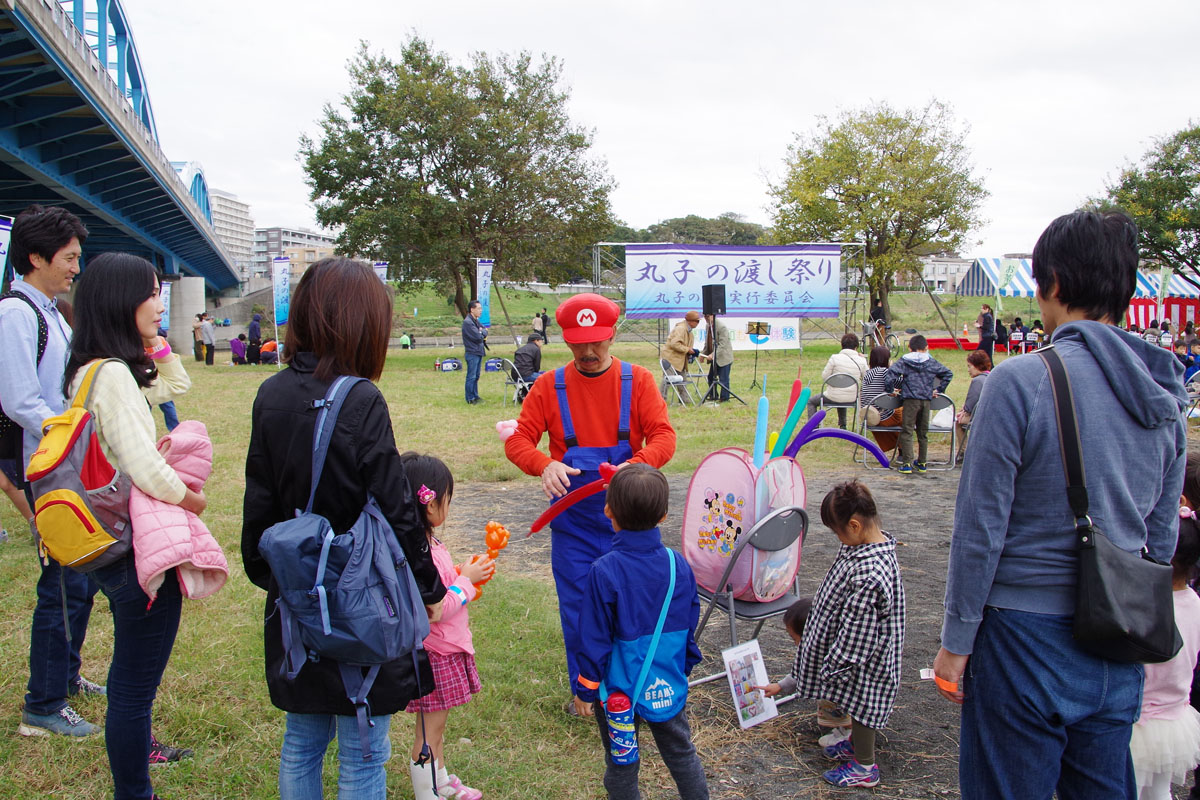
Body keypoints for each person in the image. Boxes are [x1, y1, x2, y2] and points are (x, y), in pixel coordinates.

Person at [934, 210, 1188, 800]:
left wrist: (956, 643)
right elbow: (1161, 542)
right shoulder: (1164, 396)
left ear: (1050, 285)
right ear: (1125, 289)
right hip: (1115, 641)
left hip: (1023, 639)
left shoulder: (1018, 381)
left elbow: (980, 530)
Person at [242, 257, 445, 799]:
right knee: (363, 751)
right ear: (361, 323)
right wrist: (429, 588)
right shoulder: (360, 397)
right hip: (362, 597)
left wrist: (274, 577)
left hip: (297, 595)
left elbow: (258, 497)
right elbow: (398, 505)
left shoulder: (272, 392)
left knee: (301, 741)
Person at [64, 252, 203, 797]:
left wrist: (159, 343)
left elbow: (178, 385)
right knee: (132, 687)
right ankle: (134, 788)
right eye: (151, 293)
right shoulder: (114, 375)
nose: (160, 302)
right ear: (123, 300)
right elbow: (145, 467)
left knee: (130, 680)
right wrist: (190, 500)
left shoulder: (92, 369)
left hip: (103, 543)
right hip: (132, 549)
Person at [504, 293, 676, 717]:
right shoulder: (548, 386)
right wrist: (543, 464)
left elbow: (664, 437)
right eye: (579, 342)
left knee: (634, 605)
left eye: (597, 341)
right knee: (580, 607)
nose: (589, 351)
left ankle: (633, 689)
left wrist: (634, 466)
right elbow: (518, 441)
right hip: (575, 525)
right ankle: (587, 694)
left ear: (613, 335)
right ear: (566, 340)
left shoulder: (639, 382)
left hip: (631, 522)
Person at [0, 204, 103, 738]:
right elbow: (20, 401)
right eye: (68, 258)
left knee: (78, 579)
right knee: (60, 584)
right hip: (49, 469)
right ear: (36, 257)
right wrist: (74, 433)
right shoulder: (16, 315)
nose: (75, 268)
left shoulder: (47, 311)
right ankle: (42, 705)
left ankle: (65, 676)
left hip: (64, 463)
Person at [575, 464, 709, 800]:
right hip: (666, 680)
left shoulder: (603, 571)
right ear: (664, 515)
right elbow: (689, 619)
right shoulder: (679, 564)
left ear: (608, 510)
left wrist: (586, 688)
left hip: (618, 691)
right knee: (681, 754)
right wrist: (682, 666)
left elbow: (594, 638)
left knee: (622, 764)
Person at [764, 481, 904, 789]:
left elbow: (859, 633)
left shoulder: (870, 573)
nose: (838, 538)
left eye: (838, 531)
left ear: (854, 525)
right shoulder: (862, 547)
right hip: (856, 655)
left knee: (864, 706)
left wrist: (836, 665)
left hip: (865, 660)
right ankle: (855, 747)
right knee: (855, 702)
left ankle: (865, 767)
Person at [399, 452, 493, 800]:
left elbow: (437, 588)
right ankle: (427, 793)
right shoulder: (419, 549)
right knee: (428, 733)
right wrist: (465, 583)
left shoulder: (426, 545)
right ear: (429, 504)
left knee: (436, 729)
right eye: (446, 500)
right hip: (436, 654)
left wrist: (457, 574)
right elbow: (434, 609)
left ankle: (439, 779)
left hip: (444, 651)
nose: (448, 507)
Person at [1130, 509, 1200, 799]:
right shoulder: (1195, 603)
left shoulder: (1147, 607)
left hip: (1139, 721)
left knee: (1127, 789)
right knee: (1160, 793)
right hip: (1174, 717)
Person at [755, 598, 852, 732]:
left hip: (843, 696)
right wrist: (779, 686)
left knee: (837, 704)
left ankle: (848, 734)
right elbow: (800, 673)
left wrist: (780, 686)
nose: (795, 644)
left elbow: (803, 674)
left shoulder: (822, 654)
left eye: (795, 638)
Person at [884, 334, 953, 475]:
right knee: (923, 432)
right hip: (926, 400)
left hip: (910, 400)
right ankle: (922, 462)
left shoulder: (905, 361)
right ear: (926, 347)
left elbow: (890, 374)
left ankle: (907, 462)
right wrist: (939, 389)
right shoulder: (930, 361)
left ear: (909, 348)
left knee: (907, 430)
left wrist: (890, 390)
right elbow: (948, 374)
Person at [807, 333, 869, 429]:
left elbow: (825, 376)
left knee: (811, 401)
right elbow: (867, 377)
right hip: (852, 397)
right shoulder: (861, 360)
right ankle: (843, 425)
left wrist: (835, 383)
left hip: (832, 396)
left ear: (842, 345)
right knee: (843, 392)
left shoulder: (834, 358)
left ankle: (812, 427)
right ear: (856, 346)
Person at [859, 346, 902, 452]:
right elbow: (902, 383)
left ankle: (899, 448)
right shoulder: (885, 372)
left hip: (869, 416)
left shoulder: (867, 374)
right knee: (909, 412)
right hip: (884, 417)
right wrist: (893, 368)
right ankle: (903, 450)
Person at [954, 350, 992, 464]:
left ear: (977, 366)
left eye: (970, 366)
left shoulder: (977, 381)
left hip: (981, 417)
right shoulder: (991, 377)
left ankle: (964, 452)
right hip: (992, 415)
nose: (968, 369)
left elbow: (970, 406)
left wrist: (964, 410)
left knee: (958, 422)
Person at [698, 313, 733, 402]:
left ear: (713, 315)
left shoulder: (721, 327)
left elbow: (722, 345)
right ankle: (713, 396)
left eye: (707, 316)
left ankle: (724, 398)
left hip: (724, 357)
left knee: (723, 379)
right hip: (714, 358)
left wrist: (713, 354)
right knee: (711, 377)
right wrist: (703, 354)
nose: (706, 318)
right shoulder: (708, 326)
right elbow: (708, 343)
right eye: (704, 316)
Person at [660, 309, 700, 379]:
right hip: (670, 360)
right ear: (690, 321)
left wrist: (691, 352)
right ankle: (659, 391)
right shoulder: (681, 329)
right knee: (667, 382)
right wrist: (688, 350)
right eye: (697, 321)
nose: (698, 323)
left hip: (679, 361)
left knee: (682, 384)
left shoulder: (689, 331)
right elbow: (674, 344)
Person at [461, 300, 487, 405]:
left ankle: (475, 396)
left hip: (478, 351)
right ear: (472, 309)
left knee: (476, 376)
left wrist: (482, 331)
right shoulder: (468, 322)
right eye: (479, 309)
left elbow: (484, 330)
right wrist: (481, 332)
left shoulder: (475, 321)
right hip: (472, 352)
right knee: (471, 376)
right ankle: (470, 398)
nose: (481, 311)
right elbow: (478, 337)